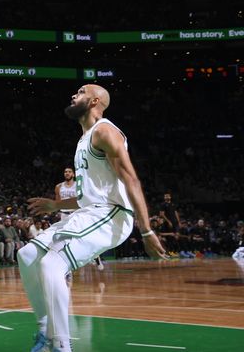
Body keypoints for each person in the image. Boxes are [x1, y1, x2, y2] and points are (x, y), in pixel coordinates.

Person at [22, 85, 167, 352]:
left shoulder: (104, 131)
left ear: (95, 101)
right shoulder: (84, 139)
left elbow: (131, 179)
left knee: (52, 263)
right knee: (28, 256)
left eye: (80, 92)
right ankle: (45, 332)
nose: (73, 95)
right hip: (91, 211)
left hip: (112, 213)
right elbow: (87, 195)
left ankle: (60, 345)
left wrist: (146, 230)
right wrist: (55, 204)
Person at [56, 167, 103, 270]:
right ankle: (65, 261)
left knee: (85, 237)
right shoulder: (59, 187)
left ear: (73, 174)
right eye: (65, 172)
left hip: (77, 213)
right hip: (64, 215)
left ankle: (96, 256)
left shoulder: (79, 185)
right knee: (63, 238)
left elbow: (84, 200)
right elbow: (57, 203)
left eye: (69, 172)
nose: (67, 173)